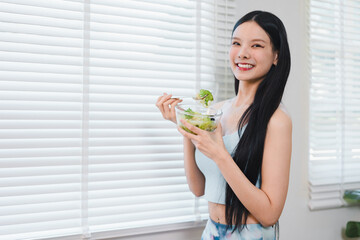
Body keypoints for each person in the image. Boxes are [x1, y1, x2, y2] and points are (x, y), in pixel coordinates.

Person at [156, 10, 292, 240]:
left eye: (256, 46)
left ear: (276, 55)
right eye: (236, 43)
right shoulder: (215, 111)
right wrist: (185, 126)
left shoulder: (276, 121)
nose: (242, 53)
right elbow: (198, 188)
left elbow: (270, 214)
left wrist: (220, 154)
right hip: (211, 232)